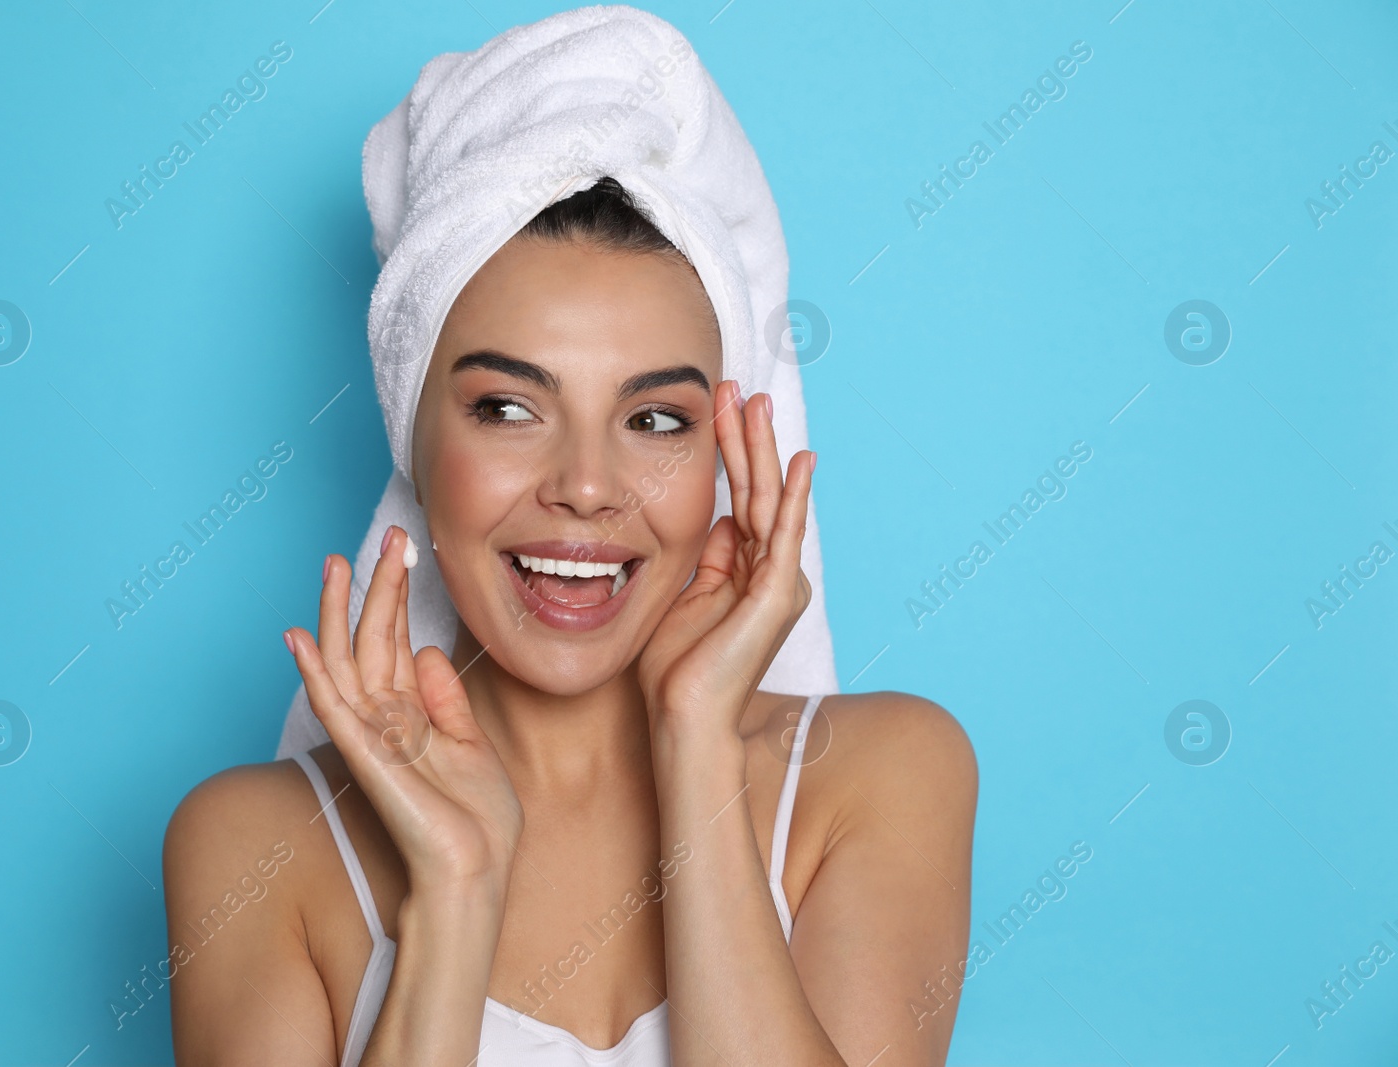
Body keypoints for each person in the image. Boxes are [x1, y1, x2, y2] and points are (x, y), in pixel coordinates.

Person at [164, 8, 975, 1063]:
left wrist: (694, 742)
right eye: (507, 407)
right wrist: (454, 892)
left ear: (728, 456)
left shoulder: (882, 773)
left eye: (655, 419)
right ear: (414, 439)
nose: (587, 486)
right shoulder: (250, 847)